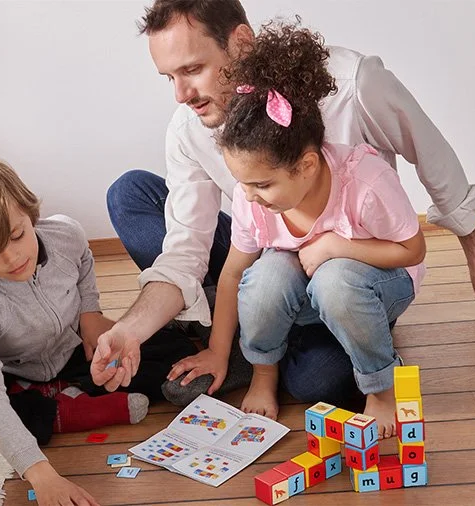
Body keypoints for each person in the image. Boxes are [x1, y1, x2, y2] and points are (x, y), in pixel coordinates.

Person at [92, 0, 475, 407]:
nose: (181, 94)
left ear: (241, 42)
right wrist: (130, 331)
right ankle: (244, 333)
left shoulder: (352, 83)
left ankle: (260, 337)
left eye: (193, 69)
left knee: (315, 382)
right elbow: (188, 252)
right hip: (266, 256)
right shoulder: (190, 127)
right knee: (131, 194)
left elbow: (433, 157)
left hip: (353, 269)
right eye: (170, 77)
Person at [0, 158, 194, 506]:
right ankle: (54, 413)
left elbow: (84, 261)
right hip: (7, 369)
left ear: (29, 215)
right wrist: (40, 473)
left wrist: (89, 312)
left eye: (17, 235)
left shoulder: (65, 233)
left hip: (71, 351)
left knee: (176, 349)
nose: (12, 257)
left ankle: (58, 393)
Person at [174, 21, 426, 438]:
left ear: (306, 166)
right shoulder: (252, 198)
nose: (251, 196)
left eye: (263, 185)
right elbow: (234, 272)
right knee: (267, 274)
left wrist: (335, 246)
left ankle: (381, 388)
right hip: (306, 290)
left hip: (378, 285)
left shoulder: (365, 182)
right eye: (244, 184)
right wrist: (219, 350)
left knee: (335, 280)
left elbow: (412, 250)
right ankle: (263, 372)